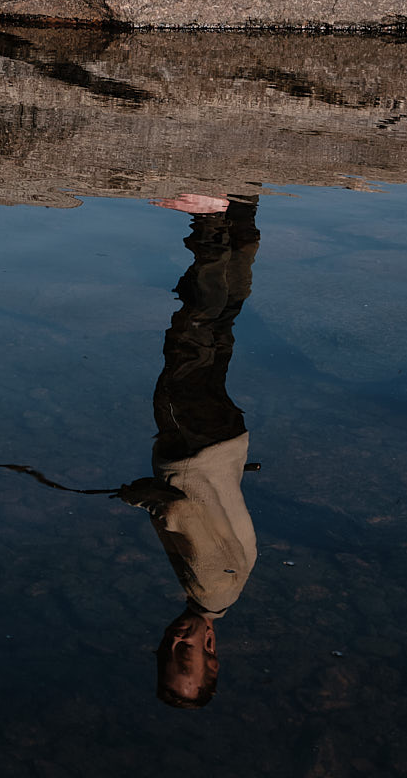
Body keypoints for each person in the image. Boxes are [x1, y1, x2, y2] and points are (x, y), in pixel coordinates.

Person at [122, 193, 262, 708]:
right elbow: (180, 508)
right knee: (192, 335)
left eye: (165, 653)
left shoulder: (228, 589)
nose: (173, 641)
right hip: (194, 447)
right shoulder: (209, 587)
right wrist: (143, 498)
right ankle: (210, 221)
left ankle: (241, 218)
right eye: (185, 656)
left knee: (216, 334)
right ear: (210, 651)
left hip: (225, 442)